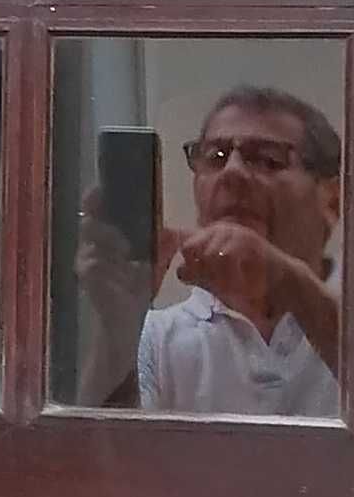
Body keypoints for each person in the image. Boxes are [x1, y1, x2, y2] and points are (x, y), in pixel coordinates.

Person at [133, 85, 343, 419]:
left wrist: (292, 286)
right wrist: (114, 326)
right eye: (215, 157)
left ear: (331, 200)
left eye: (268, 160)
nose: (232, 172)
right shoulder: (155, 338)